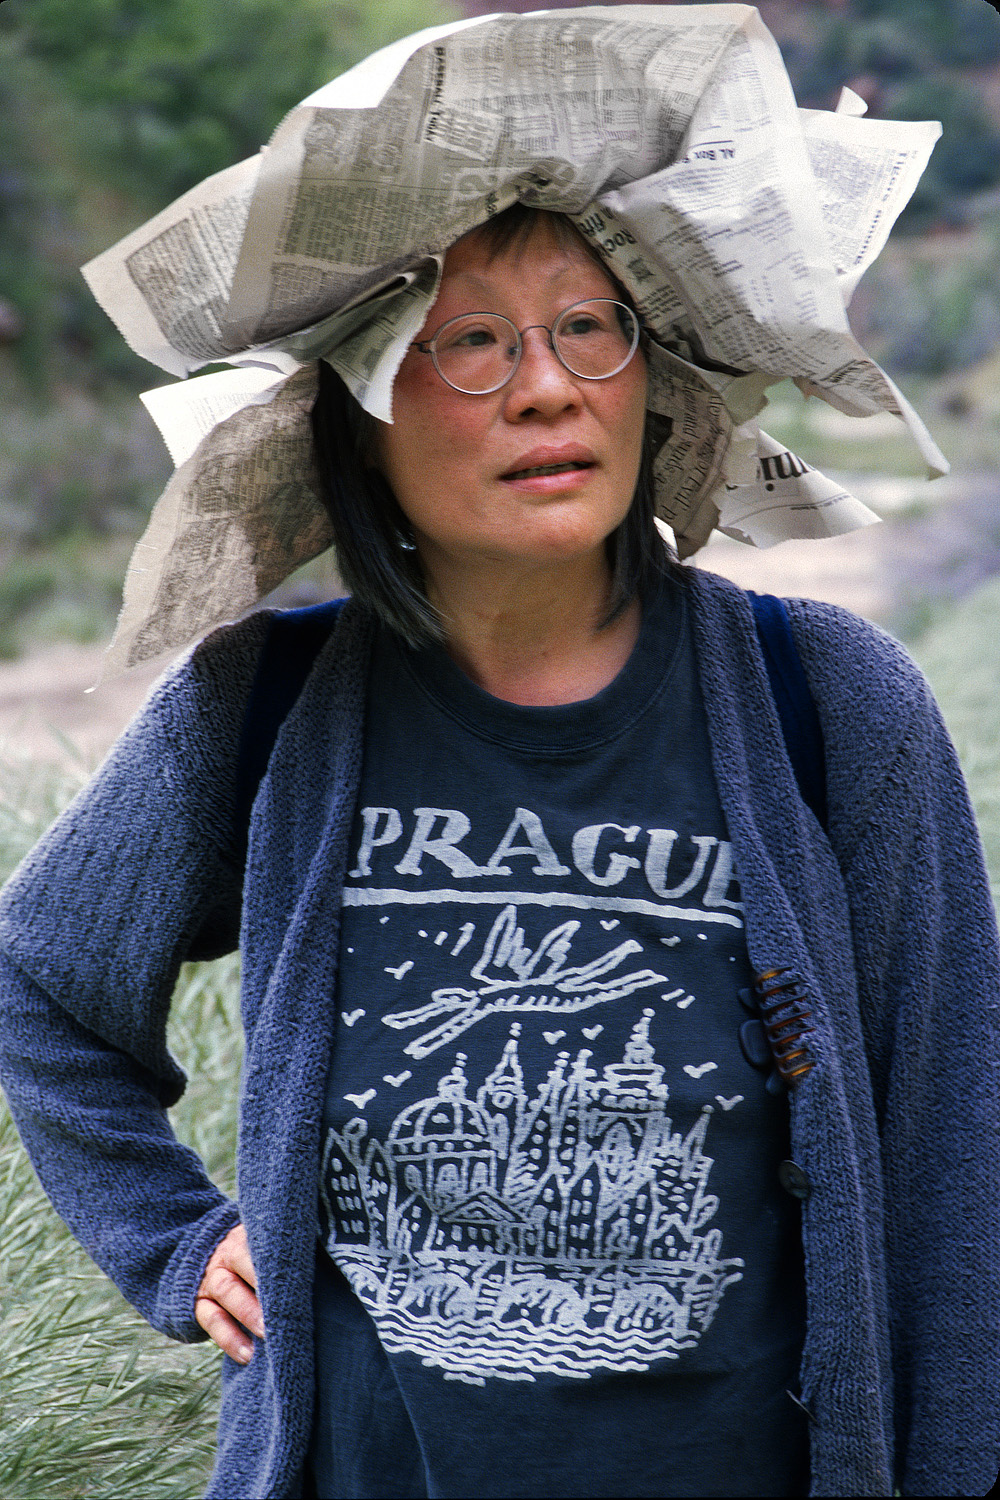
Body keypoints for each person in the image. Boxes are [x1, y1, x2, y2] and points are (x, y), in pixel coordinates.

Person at [2, 14, 999, 1500]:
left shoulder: (829, 701)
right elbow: (42, 985)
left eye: (587, 326)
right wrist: (175, 1235)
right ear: (364, 410)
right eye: (470, 342)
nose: (545, 388)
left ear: (647, 373)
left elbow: (949, 1156)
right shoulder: (264, 709)